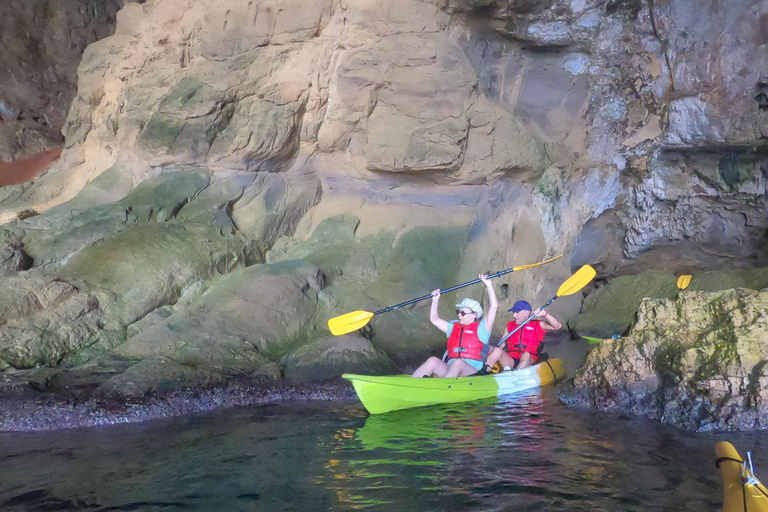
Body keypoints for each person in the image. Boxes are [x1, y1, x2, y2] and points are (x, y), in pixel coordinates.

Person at [411, 274, 498, 378]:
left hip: (472, 371)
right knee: (433, 360)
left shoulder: (482, 328)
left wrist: (489, 284)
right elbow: (435, 320)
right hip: (451, 369)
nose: (459, 315)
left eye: (463, 313)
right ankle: (411, 384)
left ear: (474, 315)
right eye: (458, 312)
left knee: (458, 363)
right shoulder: (453, 328)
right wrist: (435, 301)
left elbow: (494, 306)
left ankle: (443, 387)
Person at [483, 300, 561, 371]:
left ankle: (515, 374)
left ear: (526, 313)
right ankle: (484, 372)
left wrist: (545, 314)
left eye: (517, 312)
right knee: (497, 351)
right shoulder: (510, 325)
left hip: (529, 359)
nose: (514, 315)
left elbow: (557, 326)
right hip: (511, 359)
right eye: (513, 313)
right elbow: (502, 344)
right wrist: (492, 350)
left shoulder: (538, 325)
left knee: (526, 355)